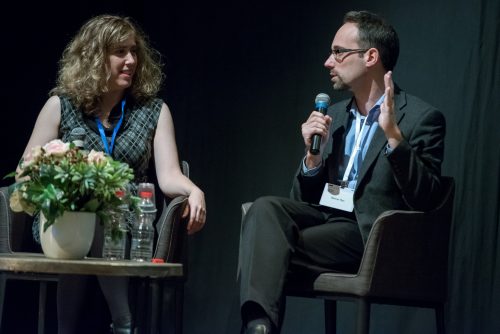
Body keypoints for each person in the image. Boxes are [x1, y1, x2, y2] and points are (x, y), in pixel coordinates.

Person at [238, 10, 445, 334]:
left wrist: (393, 137)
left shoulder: (421, 117)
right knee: (264, 209)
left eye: (338, 52)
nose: (327, 62)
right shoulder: (334, 115)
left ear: (370, 56)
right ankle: (258, 327)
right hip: (327, 221)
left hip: (370, 234)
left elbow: (429, 197)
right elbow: (302, 199)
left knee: (265, 244)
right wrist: (312, 159)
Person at [17, 14, 206, 334]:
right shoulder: (60, 106)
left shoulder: (153, 111)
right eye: (120, 52)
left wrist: (195, 191)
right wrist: (60, 181)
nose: (131, 60)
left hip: (127, 221)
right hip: (63, 220)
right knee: (85, 209)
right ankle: (121, 323)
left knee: (104, 209)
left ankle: (109, 324)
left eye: (134, 51)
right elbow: (25, 172)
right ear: (94, 56)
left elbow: (169, 175)